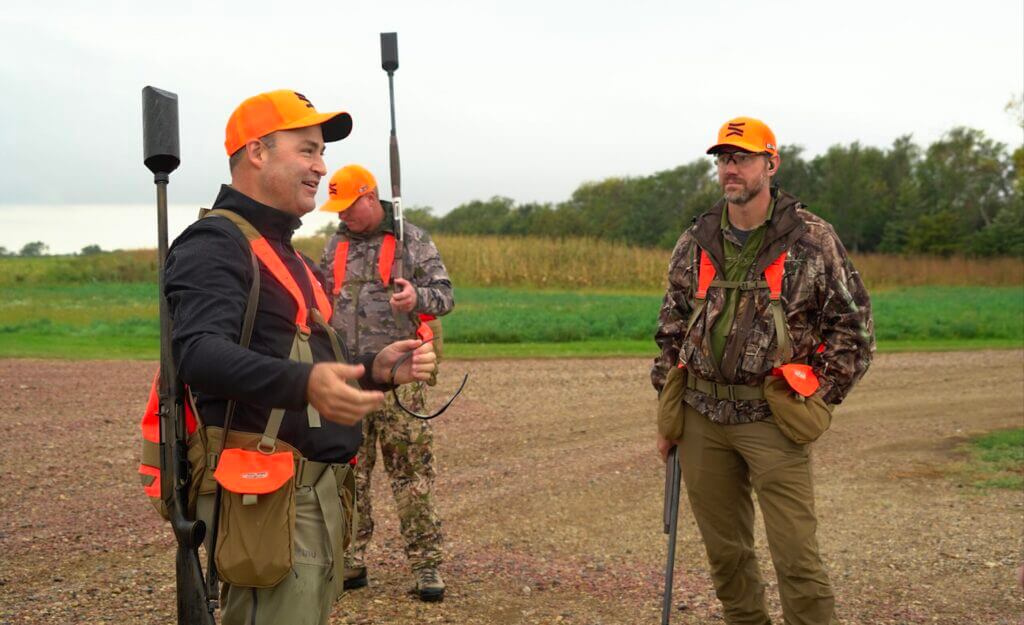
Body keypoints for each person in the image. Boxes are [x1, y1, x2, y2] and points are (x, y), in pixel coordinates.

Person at [164, 89, 436, 625]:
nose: (321, 166)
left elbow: (305, 359)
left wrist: (376, 372)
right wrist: (304, 385)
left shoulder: (289, 253)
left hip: (313, 497)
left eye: (321, 152)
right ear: (258, 152)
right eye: (307, 150)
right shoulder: (215, 243)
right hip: (268, 502)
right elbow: (197, 353)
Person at [652, 117, 874, 625]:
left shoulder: (813, 240)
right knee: (727, 558)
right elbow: (671, 328)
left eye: (743, 158)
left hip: (771, 420)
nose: (731, 169)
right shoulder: (697, 238)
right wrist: (668, 416)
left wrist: (812, 394)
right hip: (702, 416)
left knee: (797, 559)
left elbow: (855, 331)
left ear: (771, 164)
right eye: (724, 159)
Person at [319, 164, 454, 601]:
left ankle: (427, 566)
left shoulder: (412, 240)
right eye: (336, 208)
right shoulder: (334, 245)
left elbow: (445, 296)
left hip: (403, 381)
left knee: (411, 478)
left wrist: (418, 297)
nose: (342, 217)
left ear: (370, 197)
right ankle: (351, 560)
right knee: (348, 478)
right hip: (350, 379)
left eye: (348, 207)